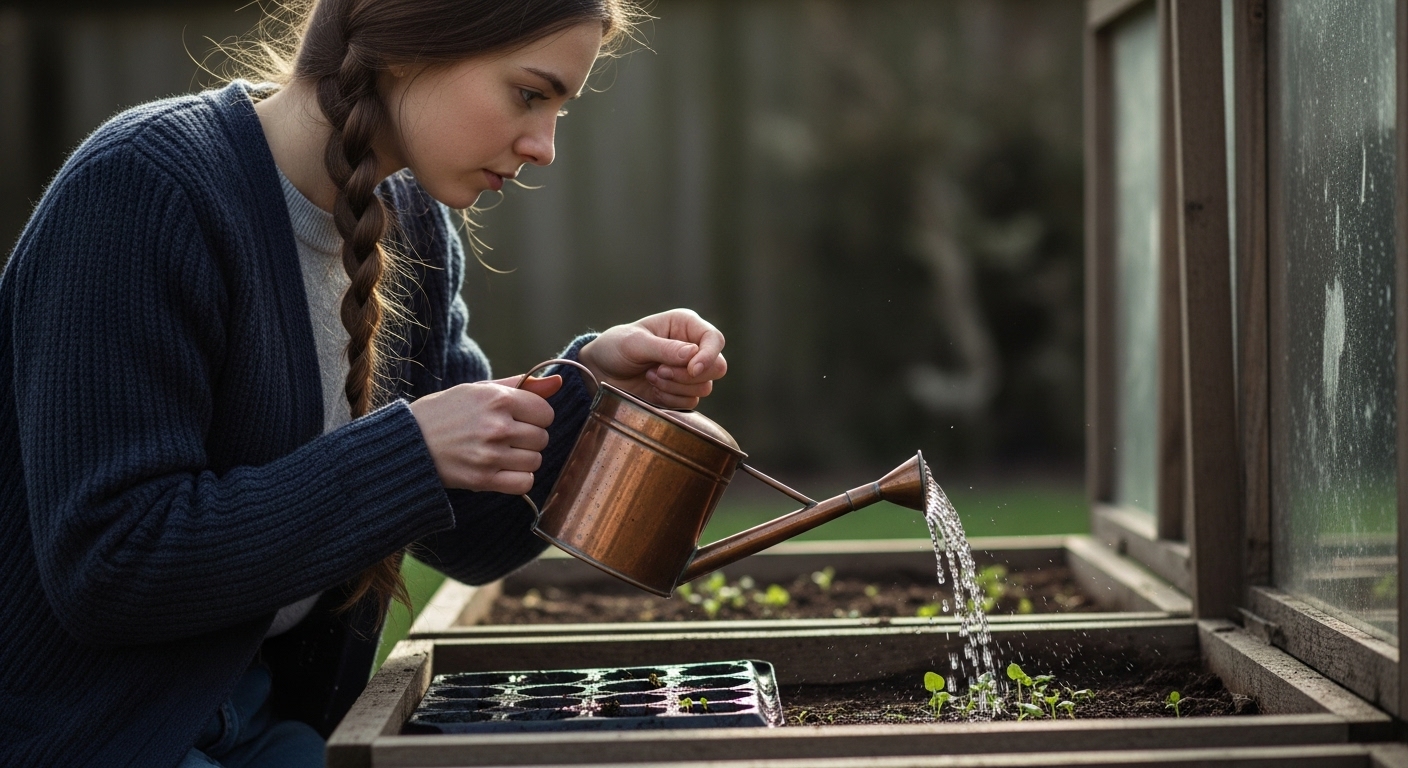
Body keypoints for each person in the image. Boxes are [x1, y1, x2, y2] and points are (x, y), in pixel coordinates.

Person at [0, 1, 728, 765]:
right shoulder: (146, 189)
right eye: (529, 93)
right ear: (410, 49)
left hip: (270, 722)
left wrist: (590, 389)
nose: (545, 147)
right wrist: (407, 453)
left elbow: (470, 538)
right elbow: (110, 564)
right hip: (97, 733)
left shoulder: (408, 219)